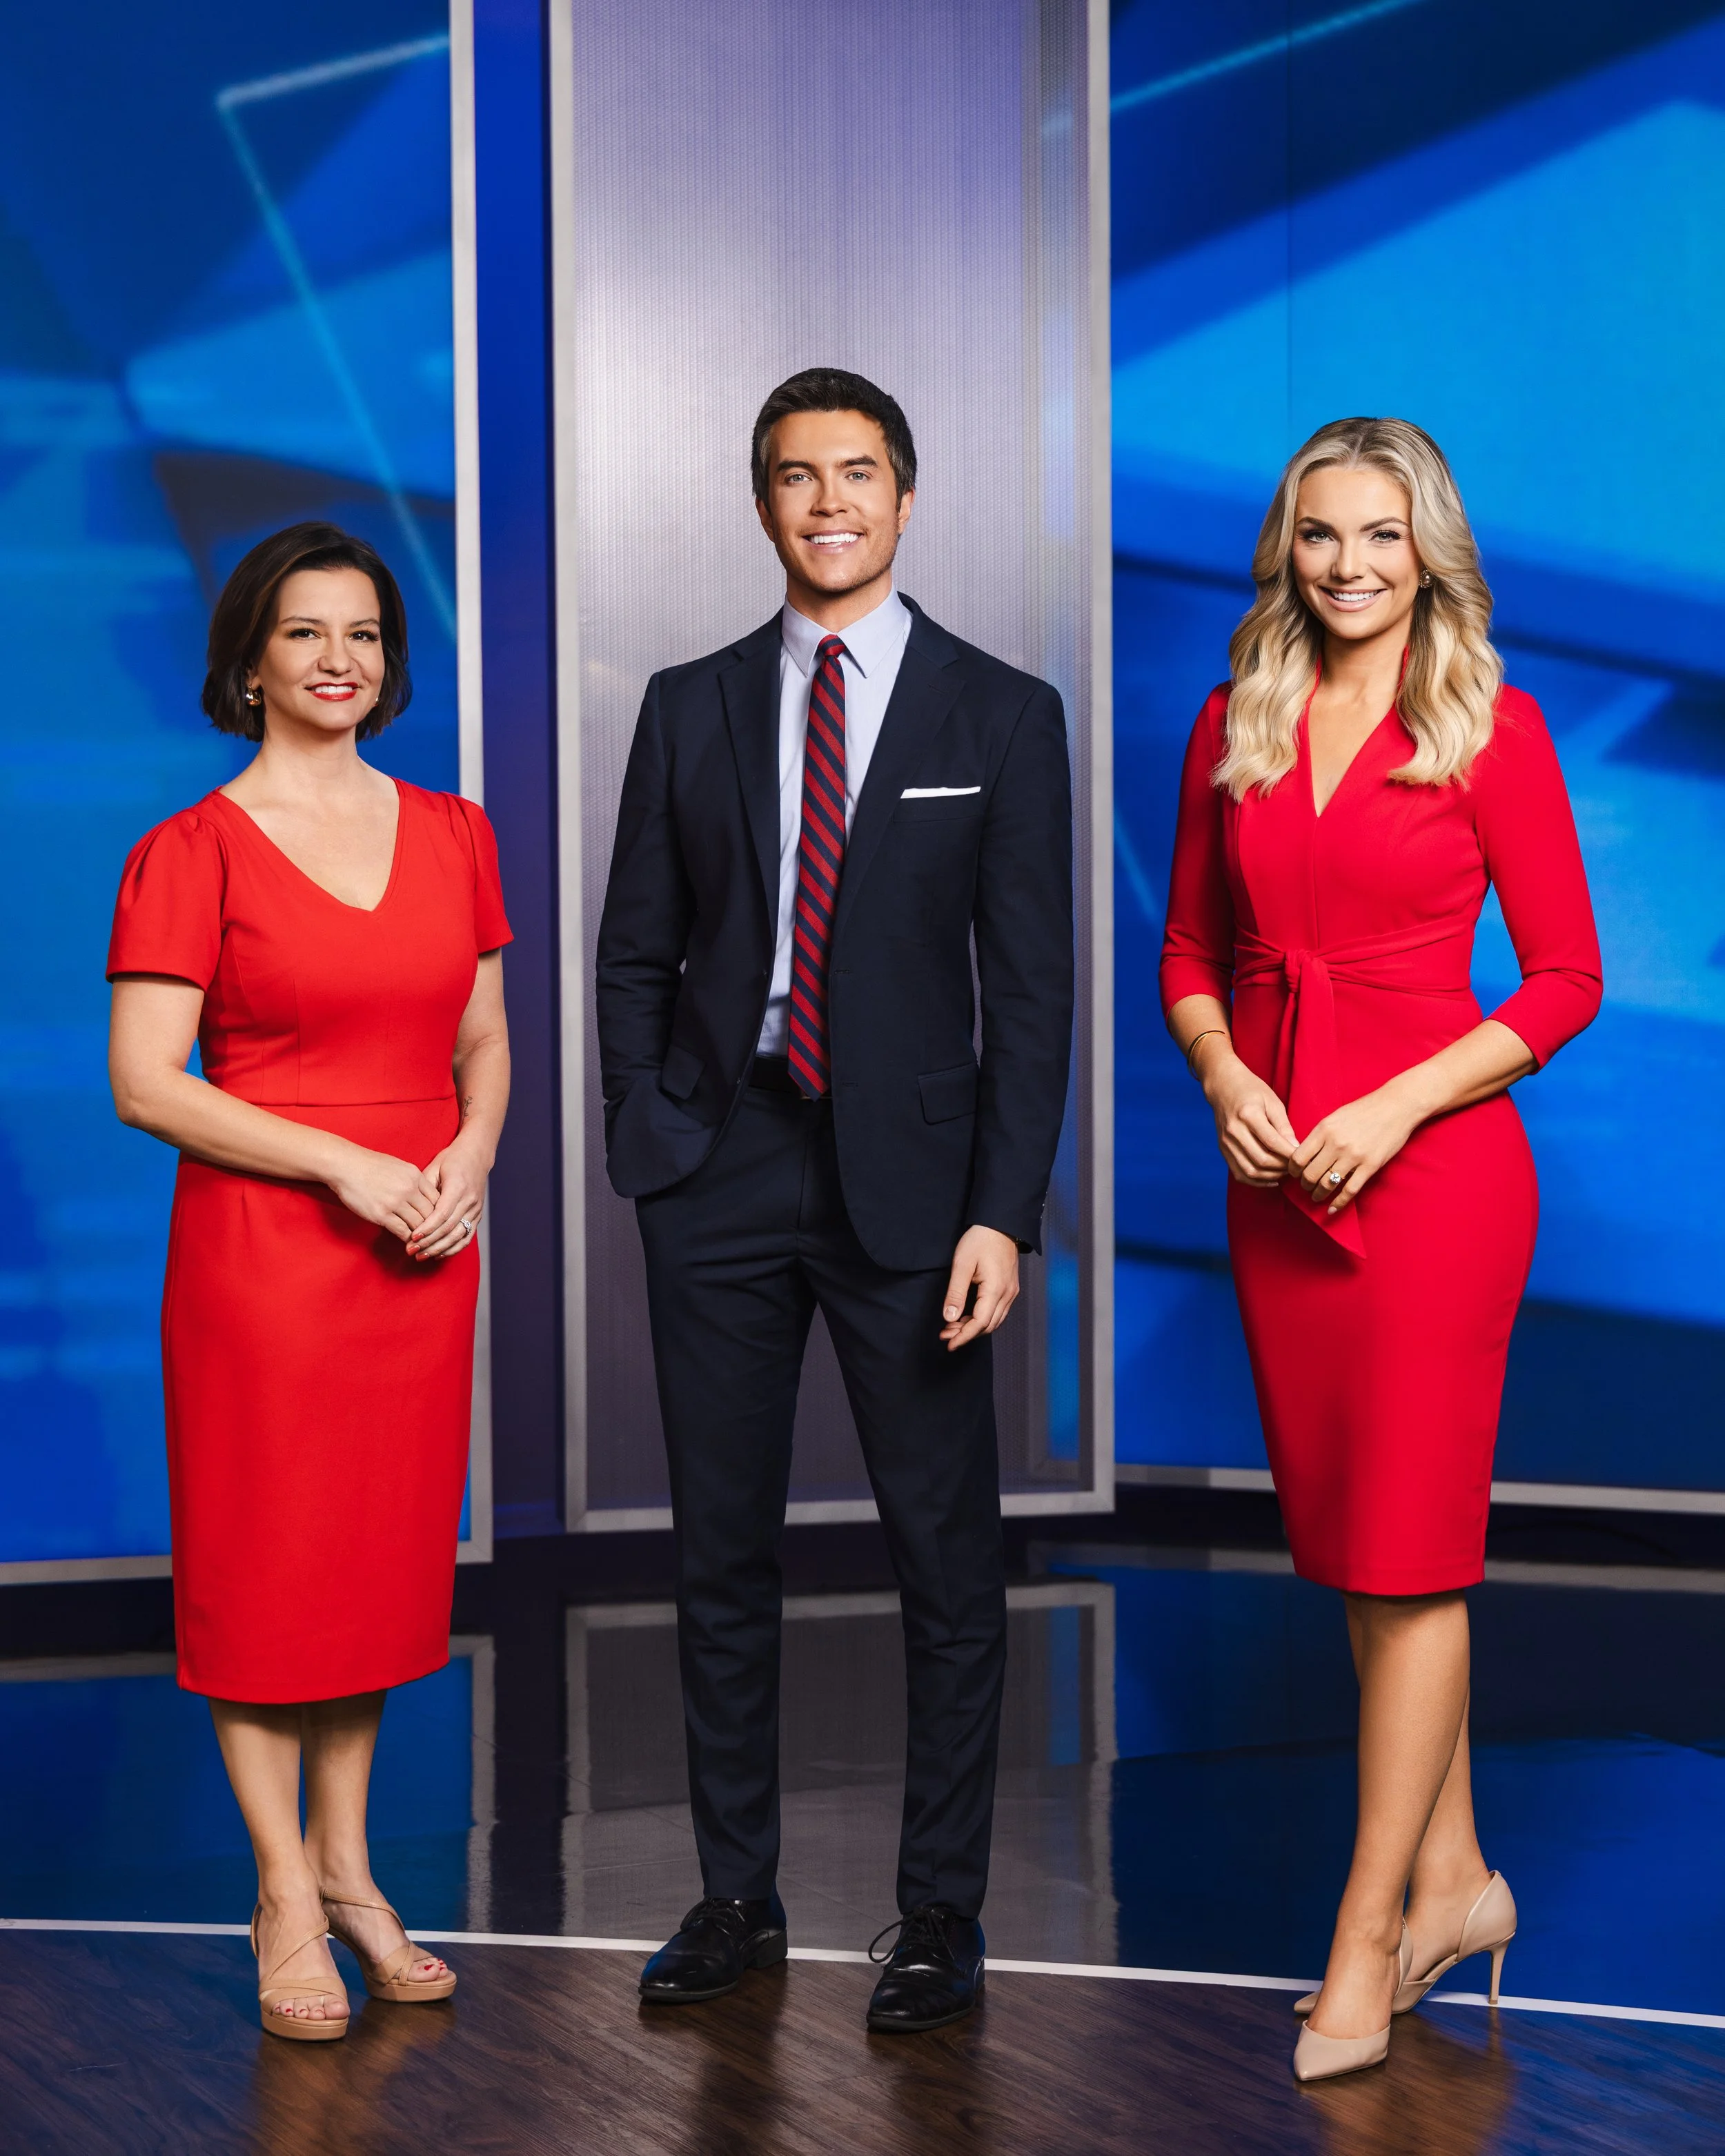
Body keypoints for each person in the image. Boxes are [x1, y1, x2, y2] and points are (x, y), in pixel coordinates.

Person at [596, 368, 1074, 2033]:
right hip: (714, 1176)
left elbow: (1030, 995)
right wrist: (644, 1136)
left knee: (945, 1559)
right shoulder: (688, 700)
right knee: (719, 1552)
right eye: (795, 477)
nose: (828, 503)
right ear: (760, 503)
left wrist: (1002, 1210)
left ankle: (937, 1916)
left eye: (856, 473)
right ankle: (736, 1892)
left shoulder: (1001, 713)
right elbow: (632, 947)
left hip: (918, 1197)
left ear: (906, 494)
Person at [1159, 417, 1601, 2083]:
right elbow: (1190, 950)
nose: (1348, 565)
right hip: (1273, 1183)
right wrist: (1221, 1079)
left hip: (1430, 1184)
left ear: (1429, 551)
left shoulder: (1491, 723)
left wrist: (1389, 1108)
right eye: (1320, 535)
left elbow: (1560, 980)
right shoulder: (1233, 719)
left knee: (1413, 1557)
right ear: (1288, 547)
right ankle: (1455, 1878)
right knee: (1363, 1553)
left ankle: (1363, 1933)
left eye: (1380, 536)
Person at [106, 524, 512, 2041]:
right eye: (305, 633)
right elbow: (147, 1082)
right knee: (270, 1566)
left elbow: (483, 1041)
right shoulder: (189, 848)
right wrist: (339, 1165)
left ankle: (350, 1865)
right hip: (270, 1253)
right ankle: (280, 1885)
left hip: (422, 1240)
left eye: (362, 633)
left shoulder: (457, 832)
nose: (339, 658)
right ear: (251, 659)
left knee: (369, 1566)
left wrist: (469, 1152)